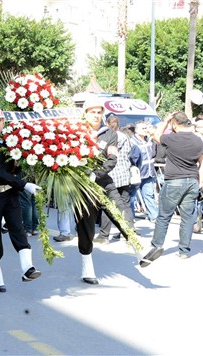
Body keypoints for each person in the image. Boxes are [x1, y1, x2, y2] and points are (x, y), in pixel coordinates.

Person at [0, 107, 42, 292]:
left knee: (17, 228)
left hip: (10, 193)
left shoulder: (11, 142)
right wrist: (24, 185)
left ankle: (27, 268)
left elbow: (15, 169)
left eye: (0, 120)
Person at [63, 99, 120, 285]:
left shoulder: (110, 134)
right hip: (81, 185)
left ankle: (139, 250)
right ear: (85, 113)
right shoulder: (75, 132)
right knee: (86, 227)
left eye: (99, 112)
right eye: (92, 112)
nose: (96, 115)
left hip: (103, 181)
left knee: (119, 210)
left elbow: (112, 158)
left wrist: (97, 174)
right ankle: (87, 267)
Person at [140, 112, 203, 265]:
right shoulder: (198, 140)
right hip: (192, 181)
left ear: (175, 124)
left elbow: (156, 135)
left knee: (164, 216)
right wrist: (201, 182)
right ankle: (184, 251)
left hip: (174, 180)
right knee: (188, 218)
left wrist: (165, 121)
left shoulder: (171, 138)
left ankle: (157, 246)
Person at [94, 115, 136, 243]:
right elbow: (133, 153)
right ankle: (130, 231)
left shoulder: (108, 136)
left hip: (111, 173)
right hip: (124, 173)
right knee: (124, 204)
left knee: (109, 205)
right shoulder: (126, 137)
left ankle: (104, 235)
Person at [129, 121, 159, 223]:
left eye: (146, 128)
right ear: (137, 130)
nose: (146, 130)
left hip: (149, 173)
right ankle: (130, 218)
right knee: (132, 197)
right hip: (137, 174)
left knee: (149, 195)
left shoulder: (148, 140)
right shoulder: (132, 141)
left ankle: (154, 216)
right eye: (143, 128)